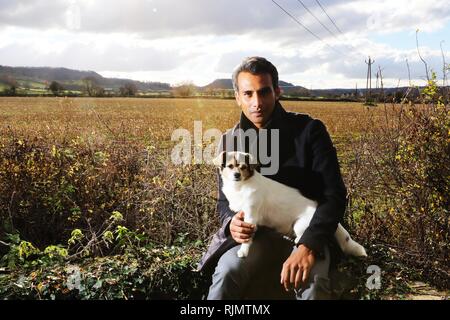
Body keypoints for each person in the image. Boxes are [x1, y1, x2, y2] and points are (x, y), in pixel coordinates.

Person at [197, 56, 348, 300]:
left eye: (264, 92)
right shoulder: (229, 142)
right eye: (248, 94)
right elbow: (224, 202)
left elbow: (334, 196)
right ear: (237, 97)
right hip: (258, 239)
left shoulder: (310, 131)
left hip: (307, 232)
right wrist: (231, 223)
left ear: (277, 92)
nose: (257, 102)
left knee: (314, 286)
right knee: (226, 273)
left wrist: (308, 245)